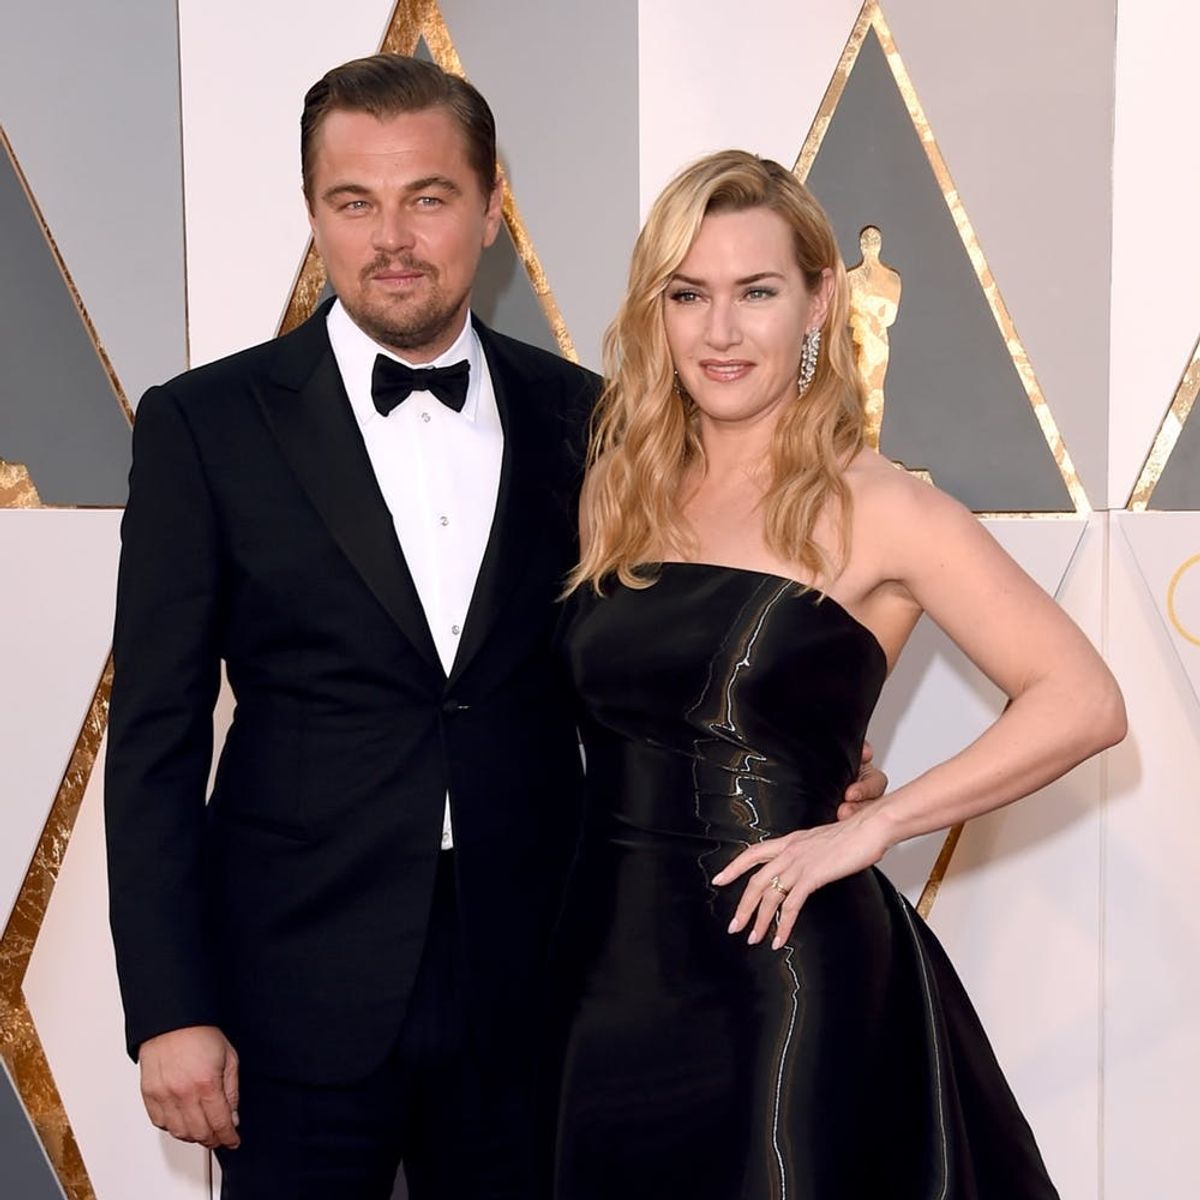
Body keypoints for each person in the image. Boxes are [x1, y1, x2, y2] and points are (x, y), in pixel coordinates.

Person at [103, 52, 893, 1200]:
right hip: (291, 994)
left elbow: (653, 658)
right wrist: (170, 1010)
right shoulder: (204, 425)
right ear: (312, 215)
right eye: (353, 202)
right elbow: (155, 738)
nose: (391, 238)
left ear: (490, 209)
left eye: (427, 197)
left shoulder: (593, 422)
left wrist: (803, 749)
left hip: (543, 980)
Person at [552, 150, 1125, 1200]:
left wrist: (879, 823)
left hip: (782, 972)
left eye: (756, 293)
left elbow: (1083, 700)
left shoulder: (883, 507)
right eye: (689, 295)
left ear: (819, 300)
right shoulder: (618, 493)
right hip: (607, 969)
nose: (720, 333)